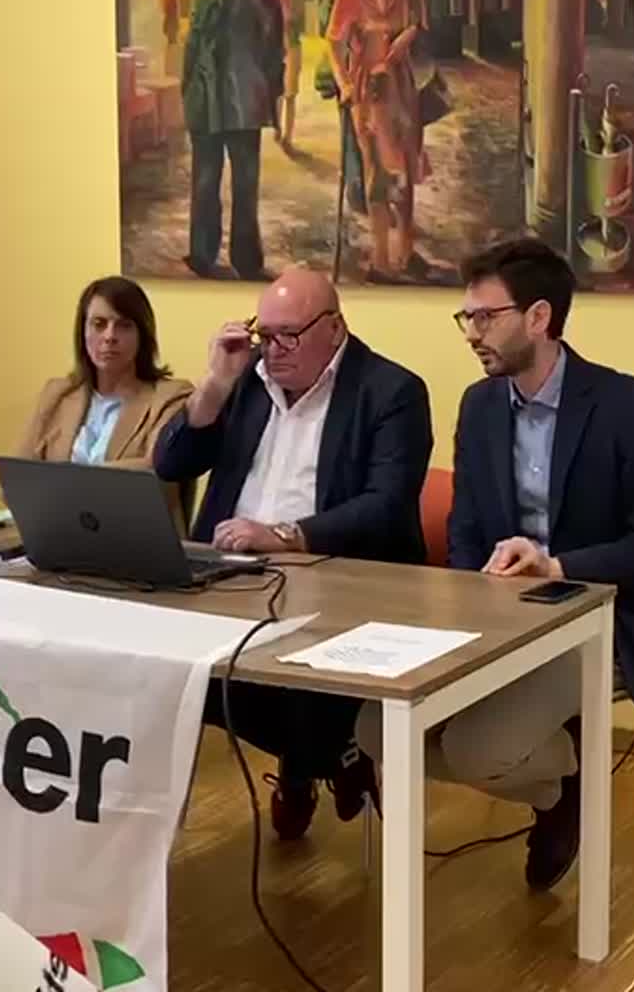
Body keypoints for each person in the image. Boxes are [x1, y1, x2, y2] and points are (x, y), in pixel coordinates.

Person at [357, 239, 634, 890]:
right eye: (467, 317)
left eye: (486, 317)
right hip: (502, 619)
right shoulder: (480, 406)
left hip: (601, 621)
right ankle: (557, 781)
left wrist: (557, 566)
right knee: (377, 726)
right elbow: (465, 530)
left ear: (539, 318)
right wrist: (468, 607)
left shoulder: (623, 404)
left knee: (477, 749)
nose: (471, 333)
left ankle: (561, 788)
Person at [154, 268, 433, 839]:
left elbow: (386, 505)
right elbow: (171, 463)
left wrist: (284, 536)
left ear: (334, 327)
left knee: (299, 687)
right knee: (162, 671)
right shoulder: (246, 381)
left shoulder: (391, 391)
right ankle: (321, 758)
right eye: (265, 334)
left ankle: (318, 759)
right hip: (228, 574)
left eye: (289, 335)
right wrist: (214, 385)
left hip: (336, 578)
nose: (273, 349)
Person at [15, 277, 193, 515]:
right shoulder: (57, 394)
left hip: (134, 530)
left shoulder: (171, 397)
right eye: (99, 324)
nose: (109, 336)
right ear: (83, 332)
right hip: (58, 528)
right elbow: (18, 481)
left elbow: (154, 469)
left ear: (142, 335)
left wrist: (63, 482)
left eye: (124, 325)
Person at [328, 0, 428, 277]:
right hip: (367, 91)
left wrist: (405, 39)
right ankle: (381, 256)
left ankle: (407, 249)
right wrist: (343, 83)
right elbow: (333, 43)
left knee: (407, 168)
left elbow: (417, 24)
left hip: (403, 86)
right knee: (377, 172)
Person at [183, 0, 285, 280]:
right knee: (245, 185)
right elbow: (275, 57)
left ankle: (202, 254)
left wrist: (188, 94)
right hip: (248, 104)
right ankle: (247, 259)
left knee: (205, 180)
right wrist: (273, 99)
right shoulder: (267, 1)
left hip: (207, 104)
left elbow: (191, 52)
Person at [266, 0, 303, 148]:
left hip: (292, 49)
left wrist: (289, 18)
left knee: (290, 94)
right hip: (274, 51)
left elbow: (300, 24)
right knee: (276, 93)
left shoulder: (293, 0)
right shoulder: (268, 2)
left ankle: (288, 134)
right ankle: (277, 127)